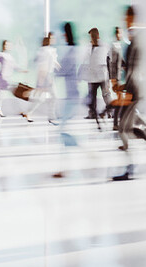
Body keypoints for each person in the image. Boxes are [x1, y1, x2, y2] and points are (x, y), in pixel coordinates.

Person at [113, 6, 146, 181]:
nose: (124, 20)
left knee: (122, 129)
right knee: (127, 128)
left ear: (130, 17)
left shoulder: (135, 39)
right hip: (136, 88)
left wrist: (126, 90)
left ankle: (130, 169)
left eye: (126, 17)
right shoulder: (139, 38)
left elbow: (132, 69)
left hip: (134, 90)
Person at [53, 22, 83, 178]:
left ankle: (83, 151)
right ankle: (64, 167)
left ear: (66, 34)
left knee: (63, 131)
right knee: (63, 131)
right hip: (72, 96)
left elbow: (61, 71)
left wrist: (55, 68)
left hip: (72, 97)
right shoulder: (75, 50)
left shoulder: (71, 51)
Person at [22, 33, 59, 123]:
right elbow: (43, 65)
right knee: (53, 96)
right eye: (52, 38)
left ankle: (28, 112)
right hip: (46, 76)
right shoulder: (46, 51)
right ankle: (51, 117)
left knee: (40, 98)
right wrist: (43, 80)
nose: (54, 39)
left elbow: (52, 62)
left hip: (46, 75)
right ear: (49, 39)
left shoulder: (45, 50)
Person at [0, 40, 25, 117]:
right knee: (6, 94)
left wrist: (21, 70)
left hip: (6, 78)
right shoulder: (0, 55)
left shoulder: (9, 56)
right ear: (3, 46)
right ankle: (20, 110)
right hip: (1, 79)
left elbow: (14, 66)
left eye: (9, 45)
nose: (8, 46)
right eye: (6, 45)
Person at [85, 28, 112, 125]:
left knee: (106, 94)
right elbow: (86, 60)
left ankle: (110, 112)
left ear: (97, 35)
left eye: (92, 35)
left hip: (102, 74)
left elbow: (109, 60)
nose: (91, 37)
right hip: (92, 75)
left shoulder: (104, 45)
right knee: (92, 96)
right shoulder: (89, 46)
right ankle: (92, 113)